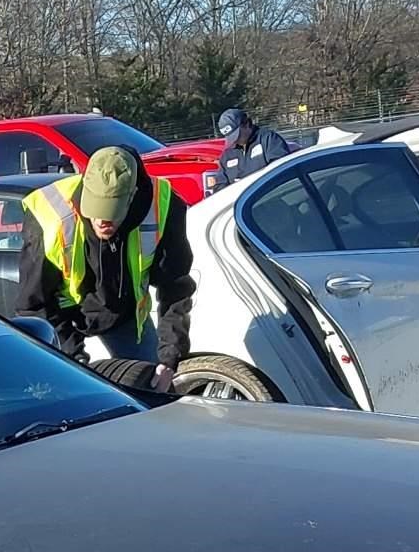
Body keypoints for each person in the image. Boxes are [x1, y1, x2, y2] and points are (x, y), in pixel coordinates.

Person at [15, 145, 194, 388]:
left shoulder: (163, 205)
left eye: (111, 215)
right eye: (95, 212)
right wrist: (73, 359)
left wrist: (169, 357)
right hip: (60, 316)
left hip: (123, 313)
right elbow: (33, 305)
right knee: (69, 388)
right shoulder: (49, 217)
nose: (101, 221)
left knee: (157, 390)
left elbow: (176, 287)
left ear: (132, 198)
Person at [205, 106, 294, 195]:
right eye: (231, 137)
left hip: (270, 196)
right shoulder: (228, 154)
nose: (235, 140)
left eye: (237, 135)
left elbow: (281, 171)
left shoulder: (268, 140)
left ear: (246, 124)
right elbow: (221, 184)